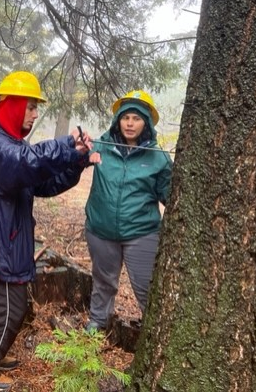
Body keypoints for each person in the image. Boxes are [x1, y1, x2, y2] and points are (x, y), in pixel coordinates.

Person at [0, 71, 93, 390]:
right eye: (31, 107)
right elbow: (26, 163)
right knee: (12, 308)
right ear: (13, 106)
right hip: (2, 242)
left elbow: (43, 182)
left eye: (36, 108)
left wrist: (75, 163)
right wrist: (68, 145)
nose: (35, 114)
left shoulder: (11, 144)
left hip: (6, 238)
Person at [84, 90, 173, 332]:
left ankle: (155, 331)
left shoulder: (158, 158)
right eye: (126, 118)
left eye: (137, 118)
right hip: (101, 230)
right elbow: (69, 166)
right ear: (118, 121)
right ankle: (97, 325)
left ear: (146, 123)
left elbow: (172, 198)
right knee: (103, 282)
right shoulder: (100, 147)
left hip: (141, 233)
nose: (130, 123)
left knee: (146, 286)